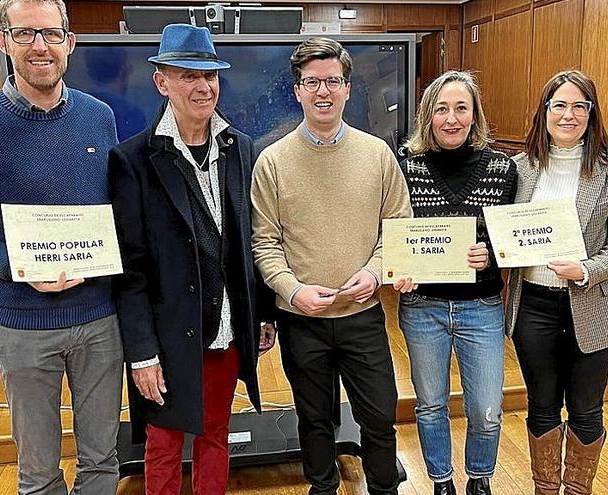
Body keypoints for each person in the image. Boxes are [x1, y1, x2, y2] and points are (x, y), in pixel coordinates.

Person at [0, 0, 123, 493]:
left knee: (102, 460)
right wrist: (12, 264)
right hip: (24, 327)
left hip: (100, 320)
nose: (40, 46)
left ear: (69, 44)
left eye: (52, 34)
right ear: (3, 42)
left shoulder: (99, 118)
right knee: (39, 473)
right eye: (26, 33)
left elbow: (113, 206)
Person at [108, 23, 277, 495]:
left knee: (215, 436)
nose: (203, 87)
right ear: (162, 82)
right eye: (187, 76)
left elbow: (250, 240)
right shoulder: (133, 160)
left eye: (210, 76)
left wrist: (260, 313)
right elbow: (131, 271)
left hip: (225, 331)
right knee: (162, 446)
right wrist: (141, 353)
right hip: (165, 340)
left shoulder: (240, 147)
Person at [250, 37, 412, 495]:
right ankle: (322, 488)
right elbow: (264, 243)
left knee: (379, 417)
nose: (323, 91)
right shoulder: (271, 160)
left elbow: (397, 228)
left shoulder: (378, 154)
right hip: (303, 319)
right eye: (312, 82)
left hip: (362, 317)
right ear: (298, 90)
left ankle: (384, 488)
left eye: (332, 81)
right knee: (314, 419)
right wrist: (292, 290)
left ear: (346, 88)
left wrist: (375, 271)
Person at [507, 70, 608, 495]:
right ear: (544, 111)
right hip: (533, 305)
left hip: (597, 304)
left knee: (586, 409)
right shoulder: (519, 168)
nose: (569, 115)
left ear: (591, 113)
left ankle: (577, 490)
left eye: (579, 106)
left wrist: (586, 269)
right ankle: (545, 489)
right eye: (559, 105)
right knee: (542, 406)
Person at [393, 71, 517, 495]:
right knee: (430, 405)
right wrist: (398, 265)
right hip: (422, 306)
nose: (451, 118)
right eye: (442, 108)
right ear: (428, 115)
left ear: (474, 114)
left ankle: (479, 479)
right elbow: (391, 229)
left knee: (486, 408)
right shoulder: (405, 165)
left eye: (461, 107)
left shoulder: (503, 169)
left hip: (481, 307)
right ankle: (441, 481)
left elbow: (515, 238)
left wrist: (494, 255)